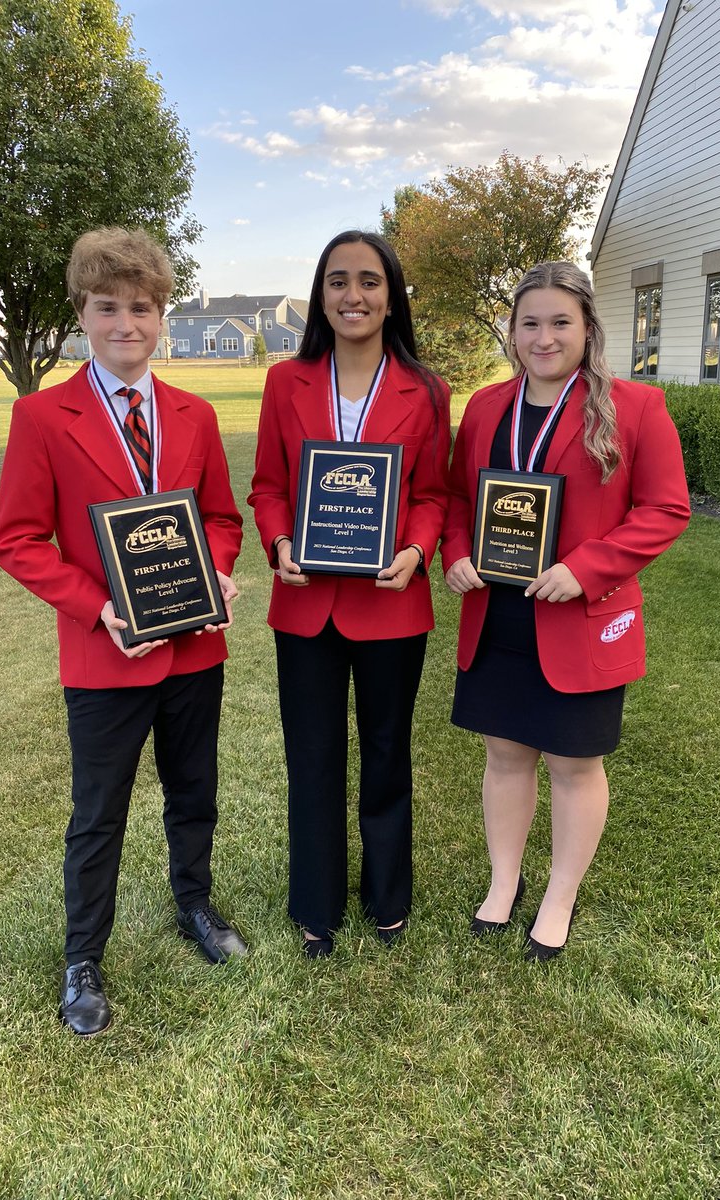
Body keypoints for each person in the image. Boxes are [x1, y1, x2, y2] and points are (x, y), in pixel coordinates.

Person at [0, 227, 248, 1036]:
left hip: (192, 647)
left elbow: (218, 516)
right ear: (83, 314)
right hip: (106, 653)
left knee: (193, 790)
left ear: (162, 316)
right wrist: (100, 607)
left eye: (141, 308)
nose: (126, 324)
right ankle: (82, 958)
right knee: (98, 810)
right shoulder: (42, 417)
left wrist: (217, 569)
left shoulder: (195, 415)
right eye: (109, 308)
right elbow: (17, 539)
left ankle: (195, 906)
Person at [441, 261, 689, 962]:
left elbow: (666, 510)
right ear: (512, 332)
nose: (544, 337)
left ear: (586, 328)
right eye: (530, 323)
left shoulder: (637, 407)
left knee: (574, 763)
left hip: (579, 616)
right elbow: (459, 498)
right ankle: (505, 879)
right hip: (498, 614)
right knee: (505, 753)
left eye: (559, 322)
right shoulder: (487, 407)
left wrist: (584, 570)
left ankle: (560, 895)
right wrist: (455, 550)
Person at [248, 230, 450, 957]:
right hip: (305, 605)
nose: (353, 295)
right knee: (312, 754)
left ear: (390, 294)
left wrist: (417, 550)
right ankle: (316, 902)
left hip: (392, 602)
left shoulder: (427, 390)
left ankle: (388, 894)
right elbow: (268, 485)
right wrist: (278, 543)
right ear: (319, 295)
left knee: (388, 752)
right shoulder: (285, 383)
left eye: (368, 281)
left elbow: (432, 494)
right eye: (338, 281)